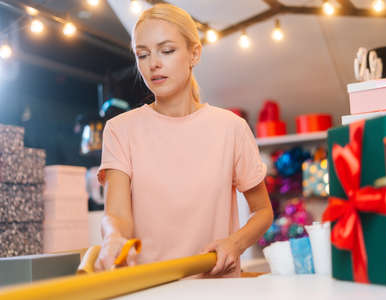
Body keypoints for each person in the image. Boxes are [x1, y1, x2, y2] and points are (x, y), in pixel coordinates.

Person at [94, 3, 273, 277]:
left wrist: (234, 244)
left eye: (167, 51)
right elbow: (116, 214)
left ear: (194, 53)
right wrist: (113, 238)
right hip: (150, 289)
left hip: (217, 289)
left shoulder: (231, 128)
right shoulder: (120, 130)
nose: (153, 63)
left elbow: (262, 211)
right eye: (142, 54)